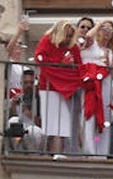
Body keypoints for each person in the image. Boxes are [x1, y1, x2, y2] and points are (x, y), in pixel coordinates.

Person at [34, 20, 81, 154]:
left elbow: (79, 66)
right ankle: (54, 154)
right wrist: (60, 63)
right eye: (67, 35)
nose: (68, 39)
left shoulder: (73, 47)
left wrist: (68, 65)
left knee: (64, 124)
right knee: (54, 125)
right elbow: (40, 59)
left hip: (67, 88)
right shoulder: (46, 41)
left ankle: (60, 153)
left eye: (70, 35)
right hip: (49, 87)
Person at [79, 21, 113, 156]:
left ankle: (102, 152)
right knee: (89, 116)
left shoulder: (110, 52)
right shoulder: (90, 44)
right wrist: (99, 25)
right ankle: (90, 150)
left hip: (105, 85)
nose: (107, 32)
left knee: (104, 118)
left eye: (110, 30)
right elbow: (88, 36)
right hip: (91, 84)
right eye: (104, 29)